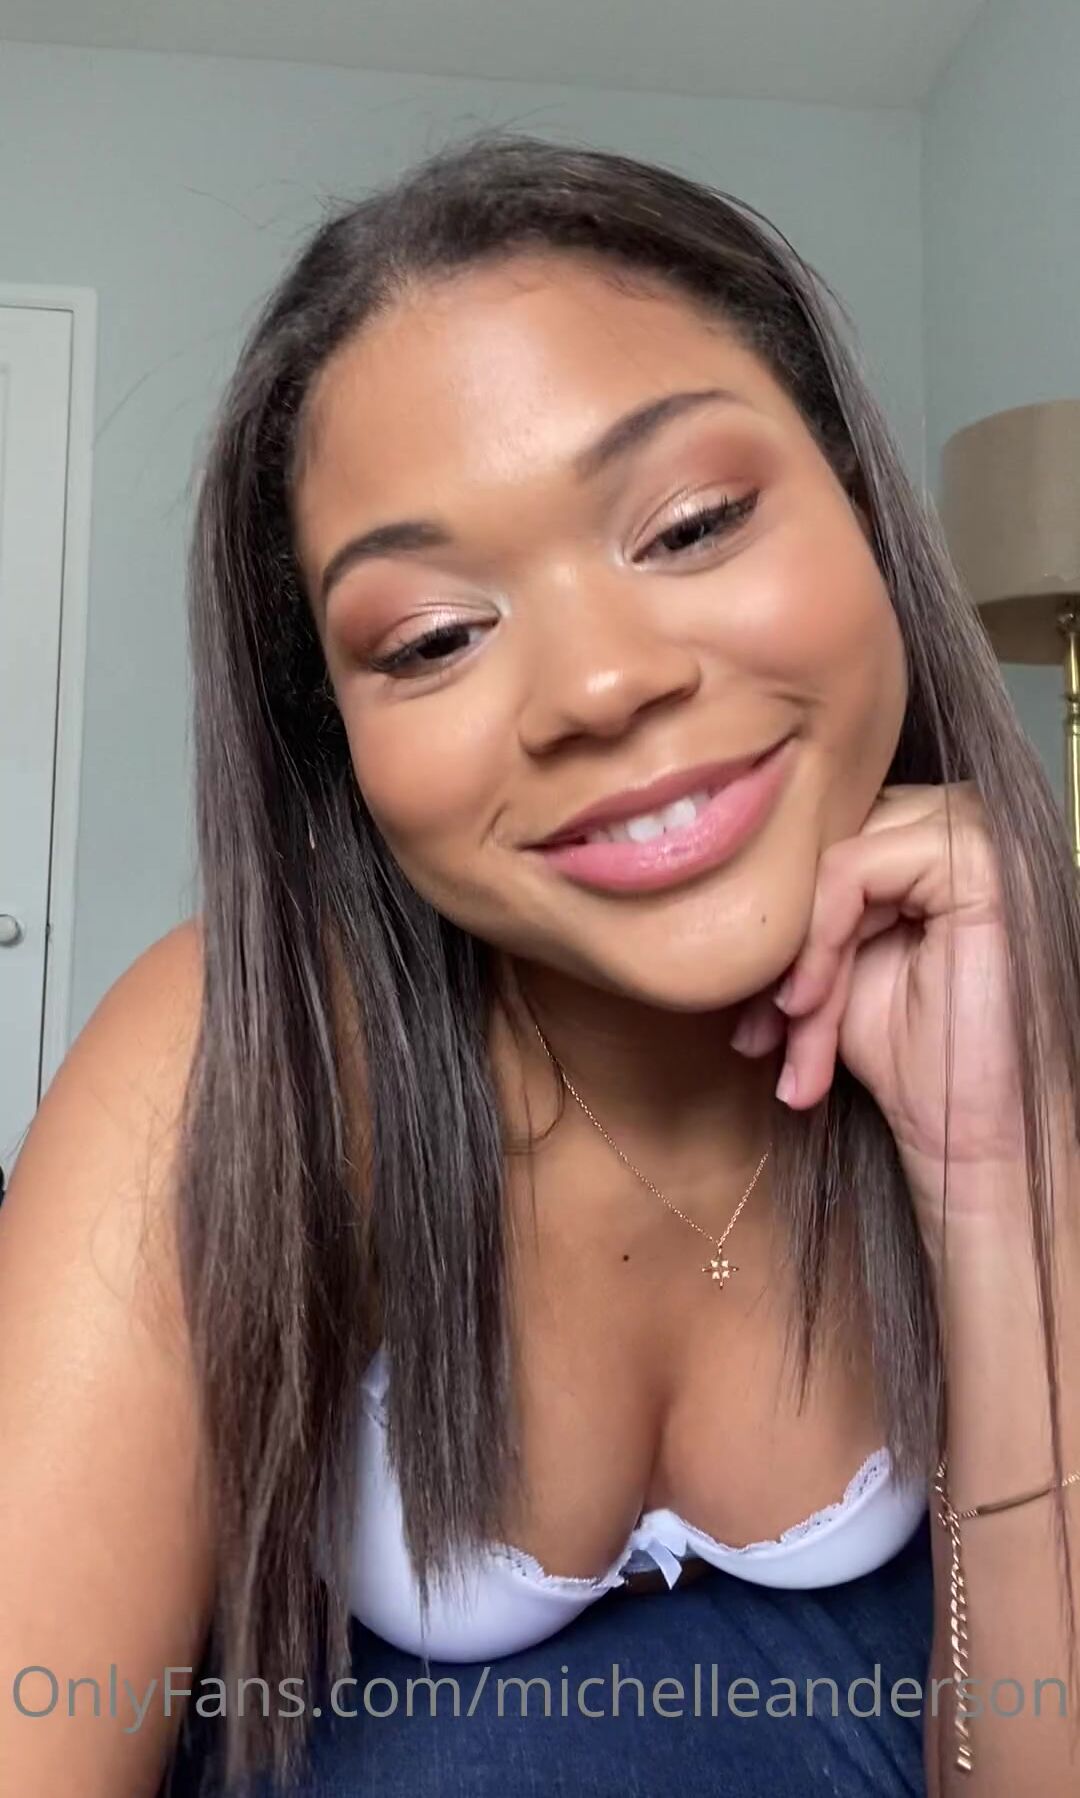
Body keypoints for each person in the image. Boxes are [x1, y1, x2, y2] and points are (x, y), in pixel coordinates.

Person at [2, 130, 1078, 1798]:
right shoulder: (233, 1067)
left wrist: (1001, 1185)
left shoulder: (1019, 992)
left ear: (866, 513)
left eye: (692, 524)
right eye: (433, 636)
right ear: (339, 734)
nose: (596, 686)